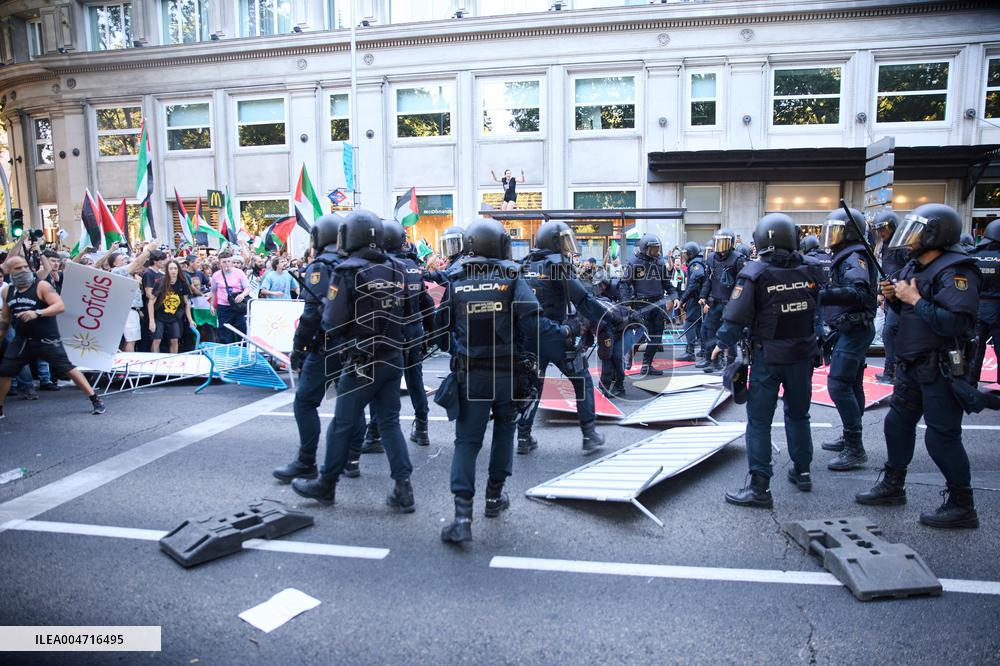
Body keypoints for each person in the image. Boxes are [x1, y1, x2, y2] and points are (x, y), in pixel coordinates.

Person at [435, 219, 563, 543]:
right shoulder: (511, 277)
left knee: (467, 443)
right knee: (505, 431)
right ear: (499, 245)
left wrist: (459, 350)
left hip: (472, 376)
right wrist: (563, 336)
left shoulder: (455, 280)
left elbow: (439, 330)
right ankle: (494, 499)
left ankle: (462, 518)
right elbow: (533, 322)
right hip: (507, 375)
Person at [857, 204, 981, 529]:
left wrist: (913, 299)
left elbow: (952, 322)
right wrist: (895, 296)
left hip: (941, 367)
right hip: (912, 364)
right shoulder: (915, 265)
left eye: (917, 233)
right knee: (896, 425)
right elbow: (911, 309)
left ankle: (962, 504)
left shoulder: (957, 271)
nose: (909, 240)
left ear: (936, 236)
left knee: (941, 438)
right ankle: (893, 486)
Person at [292, 209, 415, 512]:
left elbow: (331, 322)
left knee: (341, 424)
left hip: (362, 360)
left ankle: (326, 484)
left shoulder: (347, 271)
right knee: (389, 423)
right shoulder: (398, 267)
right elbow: (410, 311)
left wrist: (331, 305)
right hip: (392, 355)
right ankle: (403, 487)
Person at [714, 214, 821, 507]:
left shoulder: (754, 273)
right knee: (799, 415)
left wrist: (721, 342)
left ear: (762, 240)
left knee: (759, 421)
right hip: (802, 355)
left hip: (768, 357)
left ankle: (760, 487)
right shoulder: (811, 270)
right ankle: (803, 471)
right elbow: (818, 310)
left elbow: (735, 317)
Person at [518, 221, 612, 455]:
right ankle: (589, 435)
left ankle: (523, 436)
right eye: (564, 241)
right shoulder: (558, 266)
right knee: (582, 381)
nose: (568, 247)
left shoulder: (525, 265)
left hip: (529, 336)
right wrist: (609, 317)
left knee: (533, 385)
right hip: (556, 334)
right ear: (554, 243)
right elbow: (582, 299)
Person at [274, 215, 352, 483]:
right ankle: (351, 459)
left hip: (325, 345)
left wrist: (298, 349)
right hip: (350, 344)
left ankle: (306, 461)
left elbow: (312, 314)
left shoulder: (321, 266)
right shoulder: (351, 261)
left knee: (305, 402)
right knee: (347, 402)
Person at [0, 254, 106, 419]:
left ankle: (95, 399)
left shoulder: (41, 286)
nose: (22, 271)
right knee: (5, 371)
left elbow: (60, 305)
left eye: (25, 267)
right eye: (18, 268)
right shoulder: (8, 291)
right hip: (22, 339)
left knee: (67, 368)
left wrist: (37, 312)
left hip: (46, 338)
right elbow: (5, 318)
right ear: (9, 271)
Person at [818, 207, 878, 470]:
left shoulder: (854, 257)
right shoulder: (849, 254)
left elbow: (858, 292)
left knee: (839, 385)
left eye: (837, 230)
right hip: (852, 328)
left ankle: (855, 448)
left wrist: (823, 294)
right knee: (852, 384)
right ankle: (850, 436)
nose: (831, 236)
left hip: (855, 329)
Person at [381, 220, 436, 447]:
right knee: (415, 379)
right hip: (414, 330)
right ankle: (422, 426)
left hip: (392, 332)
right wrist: (431, 333)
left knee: (385, 383)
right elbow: (426, 302)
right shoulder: (413, 267)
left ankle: (376, 432)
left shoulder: (383, 267)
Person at [622, 233, 680, 376]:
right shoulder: (634, 262)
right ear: (644, 248)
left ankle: (647, 365)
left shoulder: (659, 263)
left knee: (656, 336)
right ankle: (627, 357)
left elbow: (667, 283)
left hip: (658, 303)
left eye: (657, 248)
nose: (655, 251)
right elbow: (624, 284)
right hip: (641, 304)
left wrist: (675, 297)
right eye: (652, 249)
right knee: (640, 335)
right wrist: (627, 304)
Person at [697, 228, 745, 373]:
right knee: (710, 331)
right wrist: (703, 296)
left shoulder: (738, 258)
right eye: (719, 242)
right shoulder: (711, 258)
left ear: (730, 243)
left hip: (730, 303)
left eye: (724, 242)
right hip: (715, 302)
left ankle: (730, 364)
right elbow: (708, 280)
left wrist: (737, 302)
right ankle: (712, 361)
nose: (721, 246)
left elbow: (741, 284)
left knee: (729, 333)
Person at [871, 210, 909, 384]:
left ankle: (891, 372)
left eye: (884, 228)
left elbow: (908, 270)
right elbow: (885, 271)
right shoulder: (885, 245)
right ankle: (893, 371)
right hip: (889, 294)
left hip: (901, 293)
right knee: (890, 331)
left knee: (889, 332)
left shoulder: (902, 246)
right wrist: (881, 292)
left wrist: (897, 286)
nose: (881, 232)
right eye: (879, 229)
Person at [968, 218, 1000, 385]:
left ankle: (971, 384)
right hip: (997, 309)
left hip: (977, 307)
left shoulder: (974, 255)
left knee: (975, 348)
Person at [112, 244, 155, 352]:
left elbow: (138, 263)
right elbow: (136, 262)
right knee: (131, 340)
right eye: (122, 260)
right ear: (114, 264)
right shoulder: (117, 271)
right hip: (127, 310)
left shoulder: (131, 275)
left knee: (130, 340)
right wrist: (149, 250)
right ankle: (128, 363)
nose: (126, 261)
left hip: (132, 310)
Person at [148, 259, 193, 354]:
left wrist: (190, 320)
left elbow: (187, 302)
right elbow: (151, 301)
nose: (173, 271)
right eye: (171, 268)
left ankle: (174, 360)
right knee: (157, 340)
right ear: (167, 270)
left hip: (175, 316)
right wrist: (151, 320)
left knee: (174, 340)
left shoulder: (183, 282)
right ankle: (153, 360)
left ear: (178, 270)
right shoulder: (160, 282)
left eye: (175, 268)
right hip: (160, 316)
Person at [210, 254, 250, 343]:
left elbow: (247, 288)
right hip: (223, 307)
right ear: (220, 263)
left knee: (242, 332)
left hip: (238, 306)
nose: (227, 264)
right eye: (224, 262)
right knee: (224, 334)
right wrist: (212, 305)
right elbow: (213, 291)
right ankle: (227, 353)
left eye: (228, 261)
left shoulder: (239, 273)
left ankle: (243, 352)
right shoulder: (216, 275)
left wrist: (242, 295)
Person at [678, 241, 707, 362]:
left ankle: (690, 352)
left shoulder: (695, 263)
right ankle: (704, 350)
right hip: (699, 299)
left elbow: (695, 281)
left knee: (688, 324)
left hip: (695, 299)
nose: (683, 256)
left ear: (690, 253)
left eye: (685, 254)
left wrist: (683, 299)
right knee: (700, 325)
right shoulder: (699, 261)